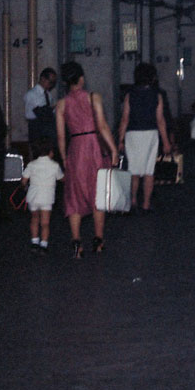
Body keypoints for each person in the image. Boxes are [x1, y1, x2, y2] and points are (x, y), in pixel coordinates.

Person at [54, 61, 118, 259]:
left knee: (73, 195)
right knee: (98, 192)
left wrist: (64, 158)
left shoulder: (61, 104)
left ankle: (76, 242)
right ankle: (98, 241)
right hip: (93, 148)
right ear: (81, 78)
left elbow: (60, 136)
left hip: (75, 148)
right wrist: (114, 150)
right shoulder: (93, 97)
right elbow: (102, 126)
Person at [117, 63, 171, 213]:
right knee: (149, 171)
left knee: (133, 170)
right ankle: (146, 204)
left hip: (132, 135)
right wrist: (166, 141)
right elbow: (160, 120)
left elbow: (124, 119)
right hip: (150, 134)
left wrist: (120, 140)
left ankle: (133, 200)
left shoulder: (130, 95)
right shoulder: (157, 95)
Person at [21, 138, 63, 252]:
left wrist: (25, 187)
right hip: (47, 198)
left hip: (33, 197)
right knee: (45, 223)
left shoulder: (31, 164)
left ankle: (34, 242)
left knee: (34, 219)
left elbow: (24, 181)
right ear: (50, 152)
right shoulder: (54, 165)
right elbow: (61, 178)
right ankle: (44, 244)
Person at [24, 67, 57, 142]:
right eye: (50, 81)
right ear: (42, 79)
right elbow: (40, 112)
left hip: (48, 129)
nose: (51, 85)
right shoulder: (31, 94)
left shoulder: (48, 95)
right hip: (36, 127)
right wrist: (53, 107)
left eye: (53, 82)